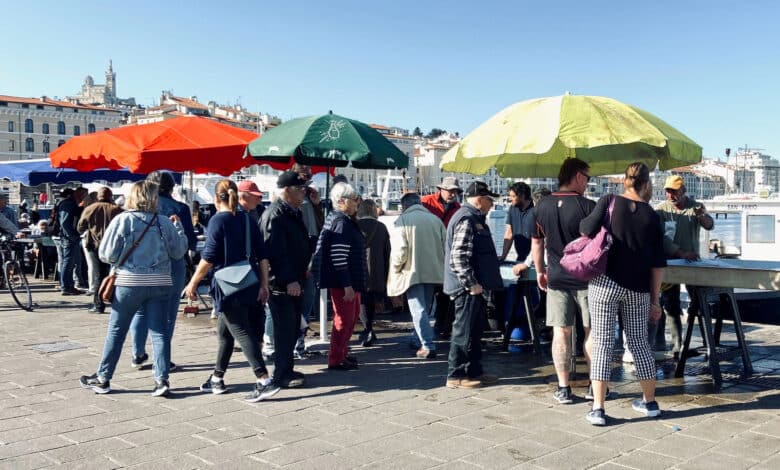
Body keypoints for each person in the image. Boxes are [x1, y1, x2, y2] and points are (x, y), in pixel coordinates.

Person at [79, 180, 188, 397]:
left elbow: (106, 255)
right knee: (159, 332)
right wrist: (180, 231)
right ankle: (162, 379)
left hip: (129, 282)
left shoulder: (123, 220)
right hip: (160, 283)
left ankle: (103, 378)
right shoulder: (164, 222)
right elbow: (178, 253)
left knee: (117, 330)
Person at [580, 162, 667, 425]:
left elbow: (585, 229)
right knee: (639, 343)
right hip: (638, 289)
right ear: (647, 184)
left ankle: (598, 408)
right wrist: (655, 300)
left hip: (605, 284)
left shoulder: (609, 201)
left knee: (603, 343)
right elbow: (658, 265)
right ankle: (650, 402)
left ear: (623, 180)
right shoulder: (652, 215)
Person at [184, 179, 276, 402]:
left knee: (240, 331)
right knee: (225, 334)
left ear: (217, 198)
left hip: (227, 286)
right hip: (249, 280)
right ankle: (217, 378)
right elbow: (262, 255)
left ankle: (263, 379)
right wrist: (264, 284)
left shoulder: (218, 220)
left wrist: (193, 282)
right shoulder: (247, 219)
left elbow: (209, 257)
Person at [531, 158, 596, 404]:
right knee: (592, 332)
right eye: (587, 178)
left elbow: (537, 243)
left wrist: (540, 271)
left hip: (556, 277)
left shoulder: (541, 206)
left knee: (561, 332)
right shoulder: (588, 207)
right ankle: (594, 385)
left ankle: (563, 387)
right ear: (578, 176)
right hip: (587, 278)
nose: (588, 184)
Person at [130, 171, 197, 371]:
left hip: (143, 264)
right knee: (167, 314)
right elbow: (189, 242)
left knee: (141, 311)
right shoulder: (180, 209)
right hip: (172, 264)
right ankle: (163, 358)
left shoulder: (139, 209)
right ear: (171, 187)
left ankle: (138, 353)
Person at [443, 181, 503, 388]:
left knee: (475, 331)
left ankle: (473, 370)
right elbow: (458, 256)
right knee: (463, 331)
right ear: (479, 199)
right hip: (467, 288)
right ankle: (456, 374)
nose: (491, 204)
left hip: (473, 287)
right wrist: (471, 284)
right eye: (489, 200)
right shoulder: (467, 219)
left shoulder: (472, 218)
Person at [260, 171, 313, 388]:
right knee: (284, 329)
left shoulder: (293, 212)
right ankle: (281, 373)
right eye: (299, 188)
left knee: (292, 328)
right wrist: (289, 280)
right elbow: (274, 253)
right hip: (282, 284)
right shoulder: (276, 215)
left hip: (296, 279)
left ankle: (286, 367)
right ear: (286, 190)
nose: (303, 192)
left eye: (304, 188)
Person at [654, 175, 715, 360]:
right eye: (668, 191)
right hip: (670, 264)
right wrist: (680, 253)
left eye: (674, 191)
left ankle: (708, 345)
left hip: (692, 265)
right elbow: (659, 238)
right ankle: (677, 346)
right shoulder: (661, 211)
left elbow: (710, 225)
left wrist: (702, 216)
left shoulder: (695, 207)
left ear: (683, 191)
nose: (670, 195)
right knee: (670, 305)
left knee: (700, 304)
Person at [313, 182, 367, 370]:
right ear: (342, 201)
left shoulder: (338, 219)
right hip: (344, 282)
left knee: (349, 319)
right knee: (344, 320)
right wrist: (347, 285)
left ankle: (342, 353)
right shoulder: (341, 222)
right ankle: (336, 358)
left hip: (348, 280)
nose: (357, 203)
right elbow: (338, 256)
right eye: (354, 199)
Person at [387, 192, 446, 359]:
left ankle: (428, 345)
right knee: (425, 309)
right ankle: (416, 338)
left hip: (411, 272)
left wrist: (396, 269)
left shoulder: (403, 221)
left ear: (404, 206)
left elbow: (400, 251)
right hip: (434, 271)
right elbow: (445, 245)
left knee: (417, 310)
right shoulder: (436, 220)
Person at [422, 177, 462, 339]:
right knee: (427, 293)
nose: (453, 194)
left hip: (447, 254)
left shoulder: (458, 208)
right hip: (428, 252)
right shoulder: (426, 202)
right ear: (441, 189)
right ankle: (422, 329)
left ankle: (441, 325)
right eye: (450, 190)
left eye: (455, 191)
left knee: (445, 292)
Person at [291, 163, 324, 358]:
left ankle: (300, 341)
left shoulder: (309, 198)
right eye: (304, 180)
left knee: (308, 300)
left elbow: (318, 225)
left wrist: (317, 204)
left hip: (311, 252)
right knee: (298, 301)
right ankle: (294, 341)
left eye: (308, 180)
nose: (306, 184)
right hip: (299, 255)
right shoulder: (291, 203)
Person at [77, 187, 122, 313]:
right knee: (114, 274)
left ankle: (98, 304)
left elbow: (80, 227)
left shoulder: (90, 208)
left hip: (94, 245)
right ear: (110, 196)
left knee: (99, 275)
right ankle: (114, 300)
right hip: (114, 246)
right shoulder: (117, 209)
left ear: (98, 196)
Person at [356, 198, 390, 347]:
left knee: (362, 301)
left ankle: (367, 329)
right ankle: (369, 328)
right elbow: (387, 252)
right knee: (370, 302)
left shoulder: (354, 225)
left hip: (360, 268)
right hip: (377, 270)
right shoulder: (381, 227)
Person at [56, 187, 86, 295]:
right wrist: (73, 236)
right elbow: (65, 223)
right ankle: (66, 286)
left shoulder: (69, 204)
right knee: (68, 262)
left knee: (69, 262)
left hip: (68, 236)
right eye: (82, 195)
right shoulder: (69, 204)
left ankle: (67, 286)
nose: (83, 197)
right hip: (68, 237)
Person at [500, 182, 535, 263]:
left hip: (535, 259)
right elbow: (509, 233)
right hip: (520, 258)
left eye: (513, 196)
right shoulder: (512, 209)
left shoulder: (536, 210)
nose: (510, 199)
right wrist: (503, 256)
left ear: (522, 196)